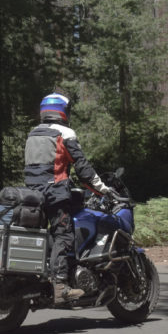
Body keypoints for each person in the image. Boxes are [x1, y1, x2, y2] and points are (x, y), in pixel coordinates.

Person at [24, 91, 115, 302]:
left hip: (31, 195)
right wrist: (102, 189)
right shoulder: (64, 133)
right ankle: (60, 286)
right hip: (54, 194)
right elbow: (83, 169)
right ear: (63, 112)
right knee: (63, 236)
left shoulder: (33, 133)